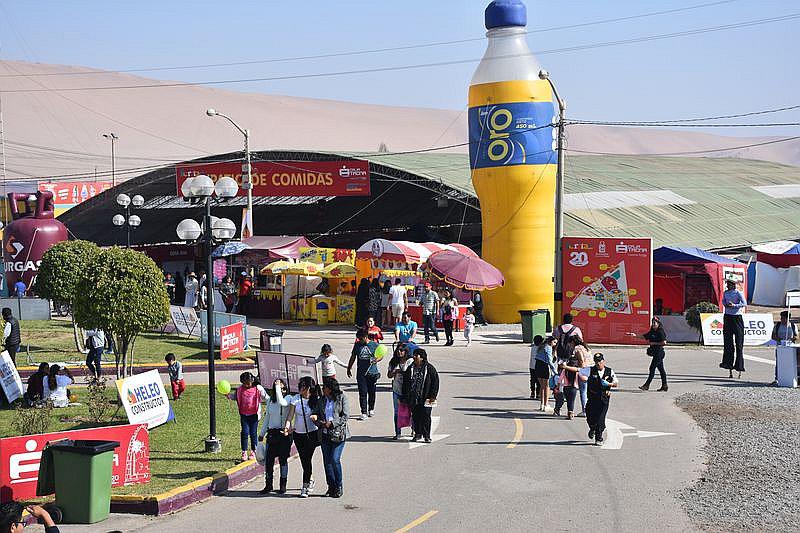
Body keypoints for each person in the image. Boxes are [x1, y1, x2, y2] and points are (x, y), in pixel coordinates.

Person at [313, 378, 350, 498]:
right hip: (324, 434)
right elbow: (317, 413)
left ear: (330, 389)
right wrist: (316, 419)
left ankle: (339, 485)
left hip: (338, 434)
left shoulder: (342, 398)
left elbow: (345, 416)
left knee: (334, 459)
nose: (323, 389)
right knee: (327, 462)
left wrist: (332, 423)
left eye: (325, 387)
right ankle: (331, 486)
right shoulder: (322, 400)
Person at [286, 376, 321, 497]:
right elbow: (290, 416)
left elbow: (321, 415)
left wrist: (316, 417)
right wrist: (287, 426)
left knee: (307, 460)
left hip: (312, 434)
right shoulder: (295, 399)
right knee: (304, 459)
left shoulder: (316, 400)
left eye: (303, 386)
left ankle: (305, 486)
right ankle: (310, 478)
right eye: (299, 386)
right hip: (298, 434)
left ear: (309, 388)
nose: (300, 388)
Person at [258, 378, 291, 495]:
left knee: (283, 460)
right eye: (277, 387)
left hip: (283, 434)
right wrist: (262, 434)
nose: (279, 389)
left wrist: (278, 388)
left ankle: (283, 485)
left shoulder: (288, 398)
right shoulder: (270, 401)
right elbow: (267, 418)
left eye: (282, 387)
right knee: (269, 461)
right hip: (272, 434)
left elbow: (282, 402)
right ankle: (268, 484)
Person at [226, 371, 268, 462]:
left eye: (248, 382)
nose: (247, 385)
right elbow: (235, 397)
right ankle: (244, 451)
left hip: (254, 415)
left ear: (252, 380)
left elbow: (266, 398)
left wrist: (269, 406)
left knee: (253, 433)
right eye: (244, 383)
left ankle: (254, 451)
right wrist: (228, 395)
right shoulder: (240, 389)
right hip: (244, 415)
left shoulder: (258, 388)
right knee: (244, 432)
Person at [402, 348, 439, 443]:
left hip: (426, 398)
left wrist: (433, 396)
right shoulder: (410, 368)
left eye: (416, 355)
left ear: (422, 357)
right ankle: (418, 434)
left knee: (426, 416)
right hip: (414, 397)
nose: (414, 357)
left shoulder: (430, 368)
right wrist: (405, 396)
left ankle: (427, 436)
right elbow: (405, 383)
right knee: (416, 416)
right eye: (414, 355)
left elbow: (435, 383)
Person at [586, 353, 618, 446]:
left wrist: (609, 384)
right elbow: (580, 372)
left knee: (600, 418)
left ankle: (599, 438)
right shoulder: (590, 370)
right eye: (596, 361)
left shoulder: (609, 371)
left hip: (604, 399)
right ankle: (593, 428)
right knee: (590, 417)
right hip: (592, 398)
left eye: (600, 361)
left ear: (603, 361)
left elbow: (616, 383)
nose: (598, 363)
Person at [347, 328, 379, 420]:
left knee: (372, 392)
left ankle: (371, 408)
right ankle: (363, 412)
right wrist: (349, 368)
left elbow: (381, 354)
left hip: (372, 372)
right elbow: (353, 356)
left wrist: (377, 359)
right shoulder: (357, 345)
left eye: (361, 339)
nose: (359, 341)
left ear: (365, 337)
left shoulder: (374, 344)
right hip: (361, 374)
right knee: (362, 392)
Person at [720, 280, 746, 378]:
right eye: (727, 284)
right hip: (728, 317)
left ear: (733, 285)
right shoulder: (725, 293)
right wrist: (725, 304)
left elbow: (744, 303)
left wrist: (734, 305)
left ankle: (739, 365)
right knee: (728, 342)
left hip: (737, 317)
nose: (728, 286)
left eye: (730, 284)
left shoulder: (738, 293)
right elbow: (723, 300)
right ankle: (727, 363)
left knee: (739, 343)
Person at [388, 344, 414, 439]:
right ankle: (398, 432)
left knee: (411, 410)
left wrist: (402, 371)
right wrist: (394, 372)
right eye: (398, 350)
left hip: (408, 390)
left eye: (402, 350)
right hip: (397, 389)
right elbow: (389, 375)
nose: (400, 352)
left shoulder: (410, 361)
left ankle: (413, 430)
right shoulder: (393, 362)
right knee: (397, 412)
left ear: (406, 351)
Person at [638, 317, 668, 392]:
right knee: (661, 370)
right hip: (655, 353)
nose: (654, 324)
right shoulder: (652, 331)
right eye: (653, 322)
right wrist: (634, 335)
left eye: (655, 323)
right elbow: (644, 336)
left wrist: (654, 343)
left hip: (659, 353)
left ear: (658, 324)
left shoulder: (660, 331)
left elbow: (664, 342)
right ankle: (664, 386)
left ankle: (646, 385)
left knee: (652, 368)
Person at [531, 336, 558, 411]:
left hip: (537, 366)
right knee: (546, 387)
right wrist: (555, 371)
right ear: (550, 341)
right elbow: (549, 360)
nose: (555, 344)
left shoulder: (541, 347)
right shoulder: (548, 347)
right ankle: (546, 405)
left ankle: (542, 405)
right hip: (544, 366)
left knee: (542, 386)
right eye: (554, 342)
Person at [554, 352, 583, 419]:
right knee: (571, 401)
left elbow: (560, 379)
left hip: (566, 387)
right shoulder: (577, 371)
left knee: (566, 400)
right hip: (574, 388)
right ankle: (571, 413)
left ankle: (566, 412)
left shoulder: (565, 370)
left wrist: (558, 387)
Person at [573, 341, 592, 416]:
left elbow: (581, 360)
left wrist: (580, 370)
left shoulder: (577, 348)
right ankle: (590, 409)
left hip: (584, 370)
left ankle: (585, 410)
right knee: (588, 391)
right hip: (591, 369)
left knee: (583, 391)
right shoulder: (586, 347)